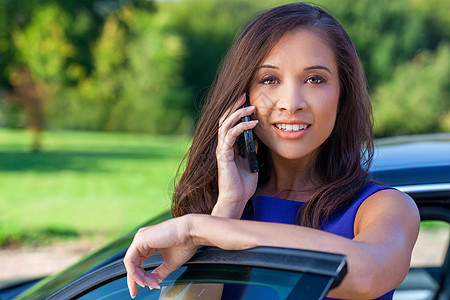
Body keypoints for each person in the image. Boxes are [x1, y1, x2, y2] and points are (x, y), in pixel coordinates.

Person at [124, 2, 420, 299]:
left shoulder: (384, 208)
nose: (291, 103)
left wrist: (197, 230)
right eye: (269, 79)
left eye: (314, 79)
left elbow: (368, 274)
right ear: (243, 97)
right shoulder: (222, 211)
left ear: (343, 93)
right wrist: (228, 206)